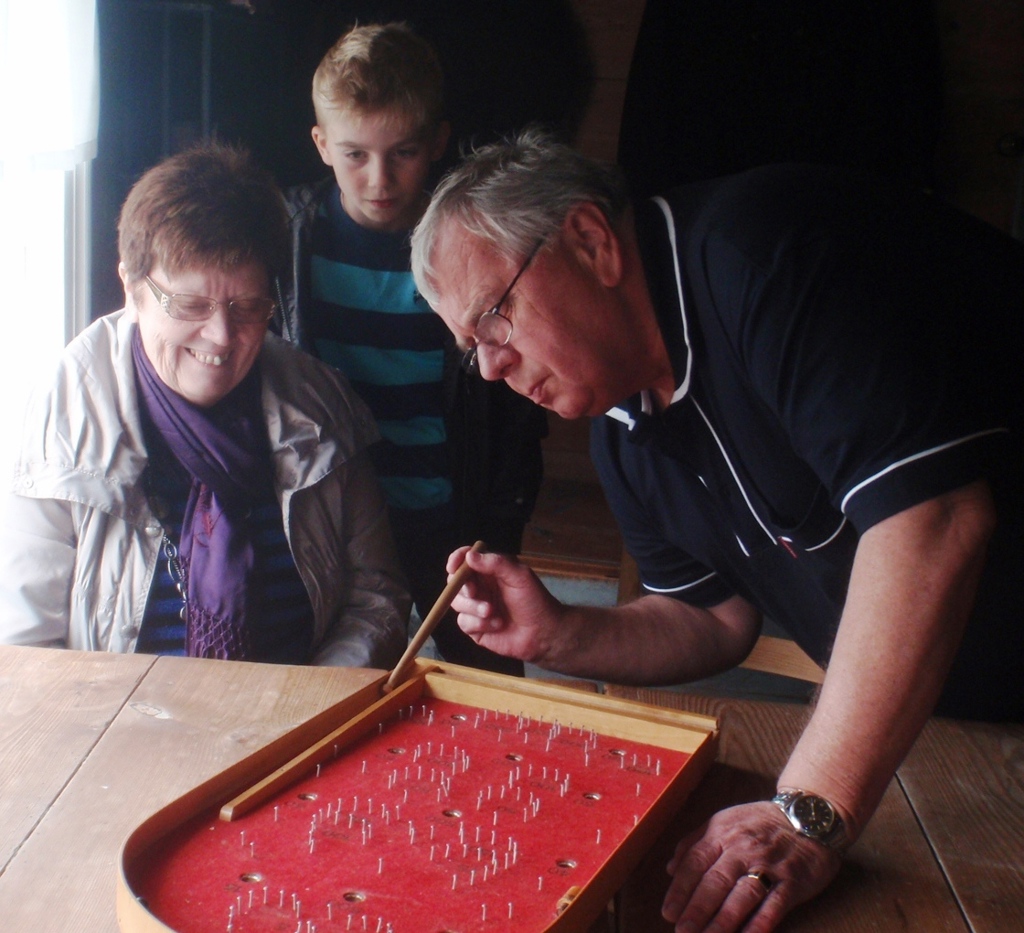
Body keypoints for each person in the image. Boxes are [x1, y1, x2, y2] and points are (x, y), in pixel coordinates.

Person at [409, 128, 1024, 932]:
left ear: (593, 242)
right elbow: (710, 618)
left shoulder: (763, 254)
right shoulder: (622, 426)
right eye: (470, 349)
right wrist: (556, 632)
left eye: (495, 318)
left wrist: (808, 811)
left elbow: (934, 518)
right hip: (959, 738)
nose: (490, 367)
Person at [0, 143, 409, 668]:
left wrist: (304, 715)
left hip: (300, 730)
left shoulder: (319, 407)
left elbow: (375, 600)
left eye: (248, 306)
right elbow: (24, 652)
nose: (221, 336)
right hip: (122, 736)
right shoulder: (61, 426)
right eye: (190, 304)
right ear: (130, 286)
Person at [276, 23, 546, 676]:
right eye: (355, 154)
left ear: (437, 144)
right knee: (344, 688)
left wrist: (499, 531)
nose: (377, 178)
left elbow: (513, 410)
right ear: (320, 145)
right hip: (336, 519)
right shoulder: (286, 241)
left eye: (402, 153)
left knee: (487, 680)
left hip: (449, 515)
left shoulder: (475, 248)